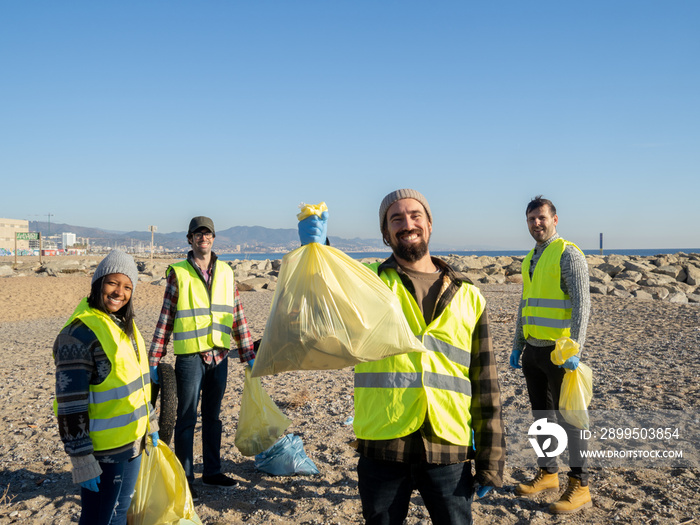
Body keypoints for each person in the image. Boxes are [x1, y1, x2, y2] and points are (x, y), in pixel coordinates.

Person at [299, 189, 505, 525]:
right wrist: (319, 250)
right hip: (384, 444)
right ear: (385, 234)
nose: (407, 224)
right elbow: (328, 296)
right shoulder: (373, 284)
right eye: (396, 219)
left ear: (429, 224)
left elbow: (486, 386)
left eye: (414, 215)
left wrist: (491, 461)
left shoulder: (469, 295)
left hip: (448, 449)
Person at [149, 216, 255, 500]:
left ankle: (212, 471)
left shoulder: (226, 272)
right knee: (186, 417)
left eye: (207, 234)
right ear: (190, 239)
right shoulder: (179, 272)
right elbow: (166, 317)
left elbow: (237, 316)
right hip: (190, 358)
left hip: (220, 357)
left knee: (213, 417)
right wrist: (154, 358)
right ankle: (185, 479)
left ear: (213, 238)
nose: (203, 238)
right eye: (198, 234)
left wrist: (248, 354)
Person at [53, 249, 158, 525]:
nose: (118, 292)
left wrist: (151, 422)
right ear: (98, 283)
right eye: (112, 283)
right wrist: (81, 458)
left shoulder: (125, 325)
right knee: (99, 519)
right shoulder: (78, 335)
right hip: (103, 454)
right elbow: (70, 404)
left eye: (127, 287)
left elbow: (138, 382)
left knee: (119, 513)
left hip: (133, 443)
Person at [509, 195, 592, 514]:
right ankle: (547, 473)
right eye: (531, 219)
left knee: (571, 419)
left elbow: (582, 304)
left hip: (560, 354)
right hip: (533, 352)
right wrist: (518, 344)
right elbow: (525, 303)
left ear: (554, 220)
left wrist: (576, 349)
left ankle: (580, 485)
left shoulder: (567, 253)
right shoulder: (531, 256)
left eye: (541, 218)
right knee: (542, 417)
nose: (536, 223)